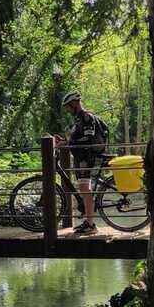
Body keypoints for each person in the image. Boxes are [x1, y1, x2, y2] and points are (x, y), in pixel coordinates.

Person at [60, 90, 107, 235]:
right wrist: (65, 142)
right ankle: (88, 221)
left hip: (88, 159)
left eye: (68, 106)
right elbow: (78, 140)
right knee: (84, 189)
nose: (67, 110)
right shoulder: (79, 119)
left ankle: (91, 225)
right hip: (83, 159)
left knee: (85, 189)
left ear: (74, 103)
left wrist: (70, 142)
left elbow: (88, 139)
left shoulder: (87, 117)